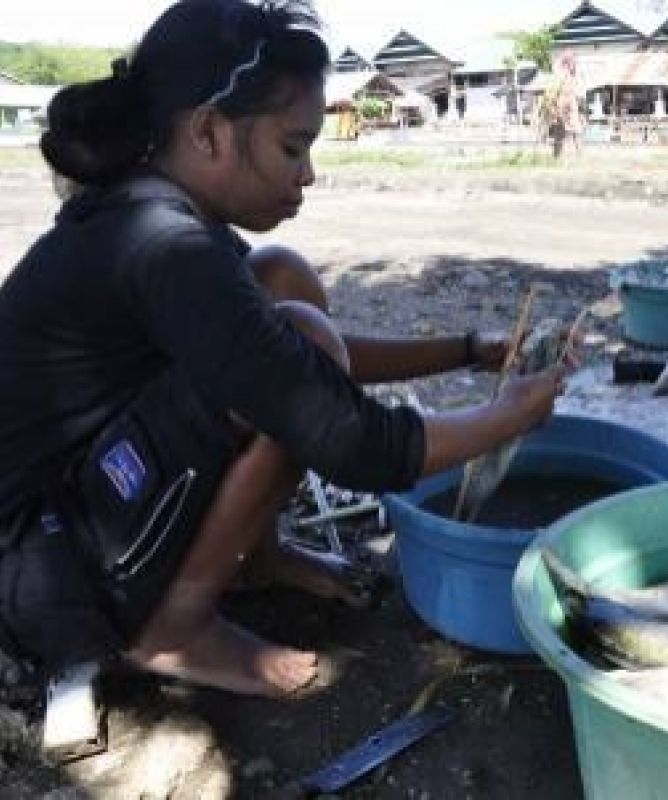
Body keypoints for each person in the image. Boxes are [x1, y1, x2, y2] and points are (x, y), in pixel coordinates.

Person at [0, 0, 565, 699]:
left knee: (281, 281)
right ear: (208, 132)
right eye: (293, 148)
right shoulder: (166, 248)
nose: (309, 175)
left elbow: (281, 362)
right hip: (38, 569)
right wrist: (507, 418)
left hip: (82, 509)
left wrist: (465, 349)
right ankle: (172, 630)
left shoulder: (157, 216)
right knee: (299, 342)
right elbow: (350, 438)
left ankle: (253, 560)